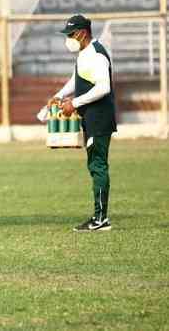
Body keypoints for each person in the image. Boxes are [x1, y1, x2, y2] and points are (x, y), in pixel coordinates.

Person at [49, 14, 116, 232]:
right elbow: (76, 78)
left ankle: (100, 220)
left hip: (99, 118)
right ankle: (99, 217)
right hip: (91, 118)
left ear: (82, 33)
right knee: (94, 165)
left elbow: (103, 87)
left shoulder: (96, 55)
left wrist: (74, 103)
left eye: (70, 34)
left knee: (98, 166)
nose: (68, 38)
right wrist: (59, 96)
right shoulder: (85, 53)